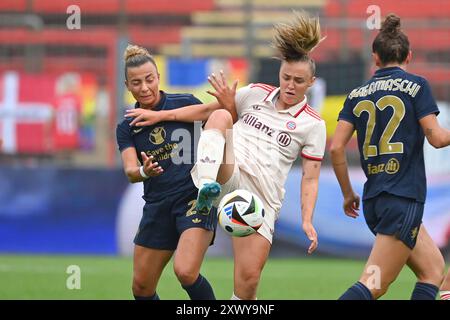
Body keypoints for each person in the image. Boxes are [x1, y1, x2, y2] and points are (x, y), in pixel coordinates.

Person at [126, 11, 327, 300]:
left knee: (247, 286)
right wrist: (161, 116)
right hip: (228, 172)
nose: (290, 85)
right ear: (279, 74)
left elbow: (310, 177)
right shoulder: (256, 92)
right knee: (221, 112)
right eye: (286, 78)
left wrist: (308, 220)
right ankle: (205, 186)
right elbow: (208, 112)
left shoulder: (313, 124)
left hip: (261, 196)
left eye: (298, 80)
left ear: (311, 82)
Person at [330, 14, 450, 300]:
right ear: (409, 55)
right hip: (402, 198)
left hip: (375, 200)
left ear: (375, 58)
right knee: (373, 284)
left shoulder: (356, 94)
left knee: (433, 270)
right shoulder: (417, 85)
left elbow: (336, 148)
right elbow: (436, 138)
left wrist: (348, 194)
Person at [116, 44, 217, 300]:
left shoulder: (185, 103)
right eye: (136, 82)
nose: (145, 87)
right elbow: (130, 171)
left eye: (149, 79)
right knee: (141, 287)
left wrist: (163, 117)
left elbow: (217, 114)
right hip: (157, 205)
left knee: (185, 272)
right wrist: (144, 171)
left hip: (194, 198)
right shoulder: (127, 126)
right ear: (127, 86)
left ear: (159, 77)